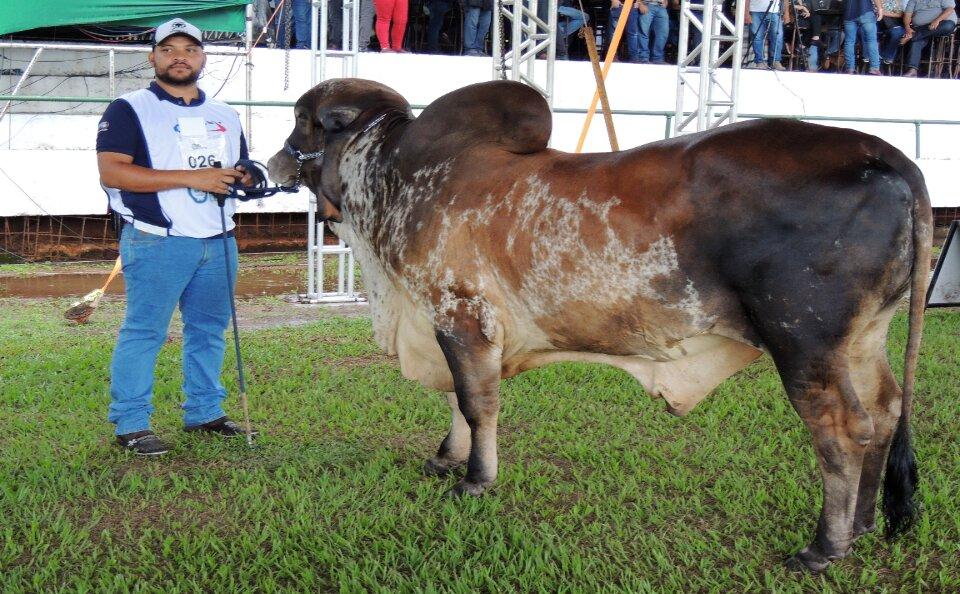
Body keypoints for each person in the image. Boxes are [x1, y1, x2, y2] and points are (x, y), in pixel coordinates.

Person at [96, 18, 258, 456]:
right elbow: (113, 172)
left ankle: (205, 412)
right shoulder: (128, 108)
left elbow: (238, 165)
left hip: (219, 238)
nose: (179, 57)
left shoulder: (225, 113)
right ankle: (131, 423)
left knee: (209, 330)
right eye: (168, 50)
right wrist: (193, 177)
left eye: (189, 49)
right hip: (158, 238)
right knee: (145, 331)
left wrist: (246, 174)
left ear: (203, 57)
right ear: (153, 57)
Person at [901, 0, 957, 76]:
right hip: (921, 27)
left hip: (941, 24)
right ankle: (912, 70)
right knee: (917, 39)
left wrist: (937, 20)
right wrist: (907, 28)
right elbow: (907, 14)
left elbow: (950, 9)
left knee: (948, 26)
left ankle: (913, 35)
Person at [842, 0, 883, 74]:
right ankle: (874, 68)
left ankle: (850, 69)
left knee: (849, 41)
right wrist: (880, 9)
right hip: (866, 11)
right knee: (871, 40)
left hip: (849, 12)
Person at [745, 0, 787, 69]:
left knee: (777, 36)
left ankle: (776, 61)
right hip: (755, 10)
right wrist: (746, 13)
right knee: (757, 37)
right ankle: (759, 61)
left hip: (774, 11)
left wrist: (786, 13)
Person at [879, 0, 908, 66]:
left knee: (897, 32)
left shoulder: (899, 1)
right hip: (877, 22)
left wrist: (885, 13)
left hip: (894, 23)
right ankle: (876, 56)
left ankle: (887, 57)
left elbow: (901, 14)